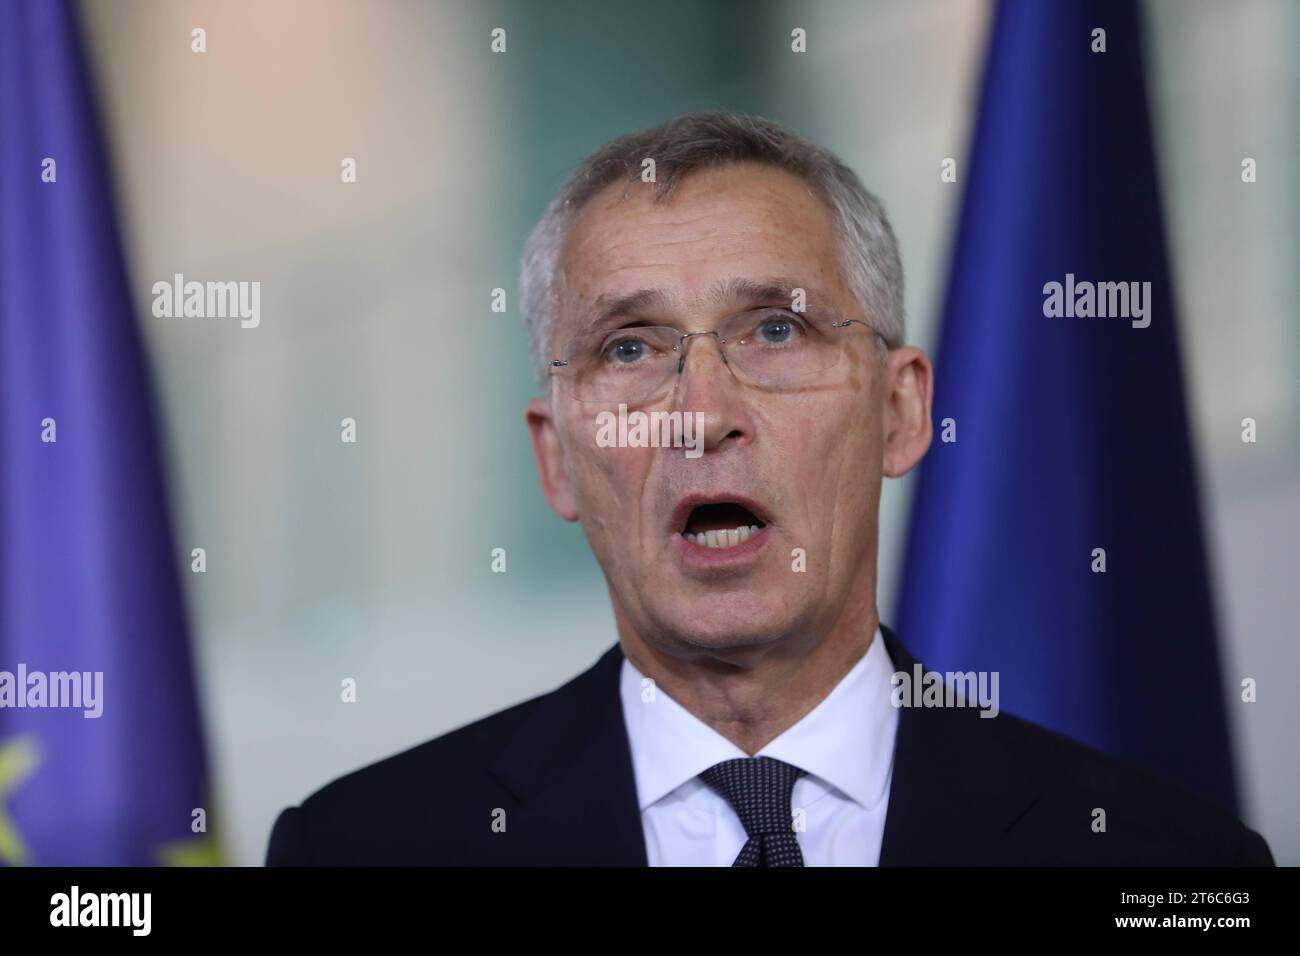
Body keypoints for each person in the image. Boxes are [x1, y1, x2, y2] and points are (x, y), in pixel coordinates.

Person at [266, 112, 1273, 866]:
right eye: (630, 345)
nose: (703, 411)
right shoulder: (362, 848)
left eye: (776, 329)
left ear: (899, 409)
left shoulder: (1164, 859)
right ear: (557, 456)